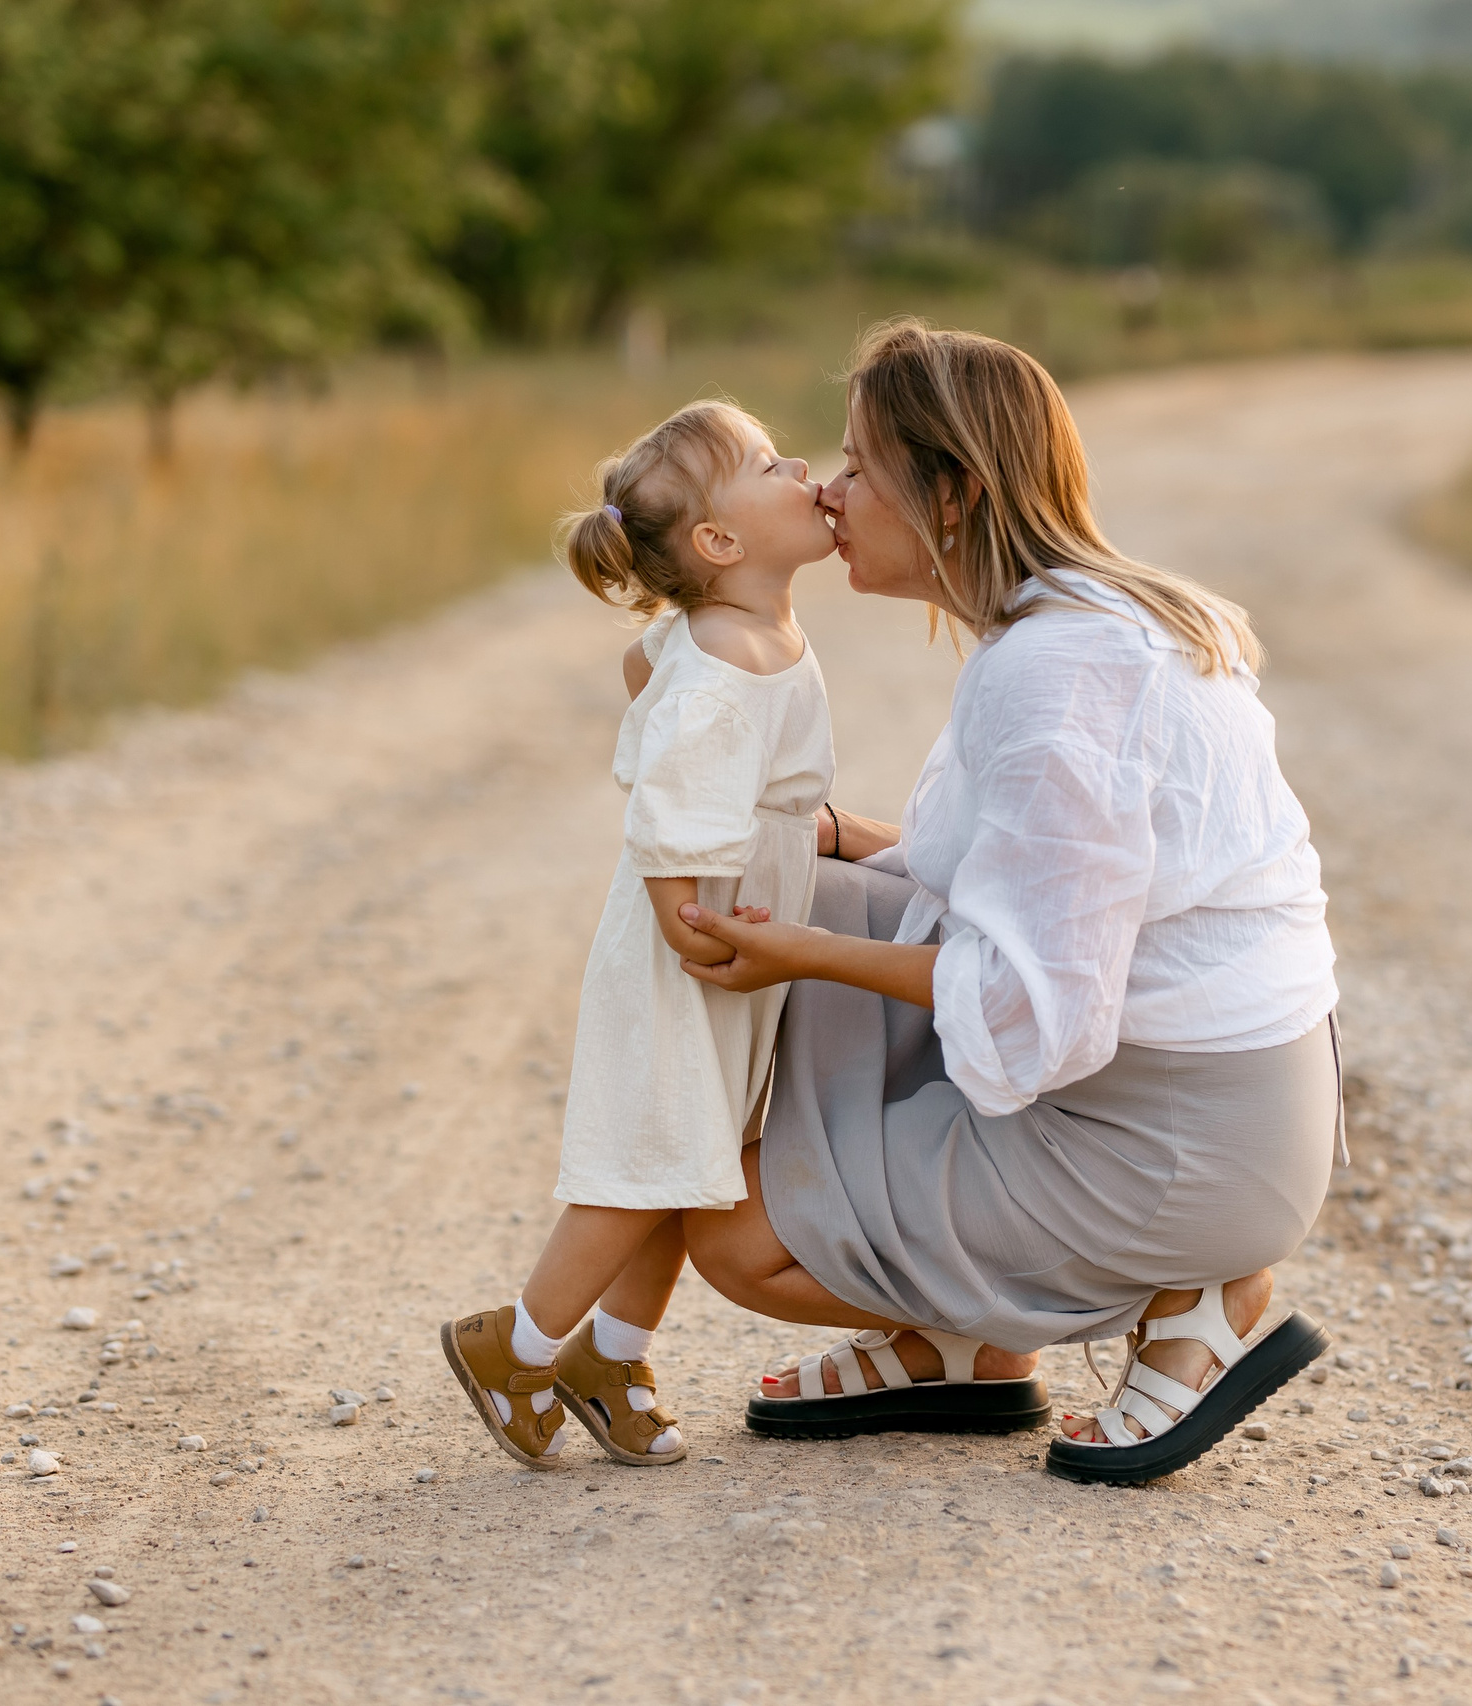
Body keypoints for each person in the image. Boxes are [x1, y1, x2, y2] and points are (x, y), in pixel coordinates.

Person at [676, 320, 1342, 1483]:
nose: (829, 497)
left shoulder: (1051, 677)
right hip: (1206, 1088)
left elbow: (1037, 1002)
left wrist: (803, 951)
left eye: (857, 468)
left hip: (1175, 1141)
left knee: (734, 1238)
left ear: (952, 493)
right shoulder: (1079, 619)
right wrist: (818, 843)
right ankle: (959, 1347)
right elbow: (1035, 883)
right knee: (819, 876)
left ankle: (1197, 1290)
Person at [439, 400, 833, 1470]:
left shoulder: (735, 635)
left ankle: (612, 1353)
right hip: (687, 939)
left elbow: (638, 671)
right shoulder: (722, 663)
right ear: (719, 542)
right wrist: (689, 924)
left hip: (728, 928)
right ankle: (513, 1345)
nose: (801, 464)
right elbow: (668, 819)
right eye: (766, 462)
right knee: (644, 1158)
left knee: (690, 1156)